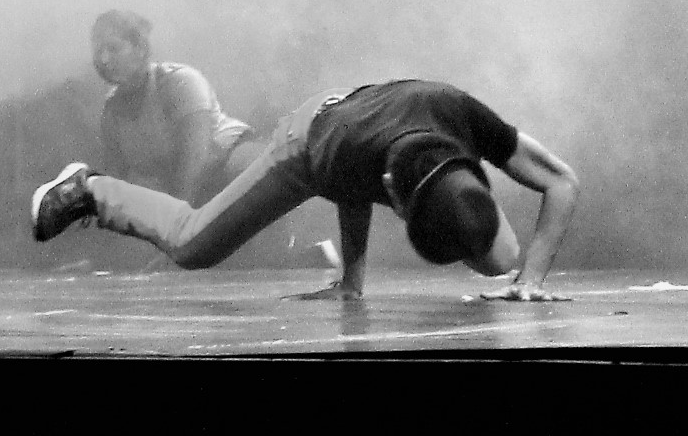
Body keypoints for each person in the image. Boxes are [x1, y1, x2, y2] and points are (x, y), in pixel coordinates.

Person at [30, 80, 578, 301]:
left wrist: (530, 283)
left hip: (379, 124)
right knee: (194, 245)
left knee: (499, 261)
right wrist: (352, 284)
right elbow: (352, 196)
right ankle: (92, 191)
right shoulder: (348, 159)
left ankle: (500, 257)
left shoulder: (465, 116)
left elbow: (560, 180)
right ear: (392, 191)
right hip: (308, 142)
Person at [88, 11, 256, 206]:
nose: (104, 60)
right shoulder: (111, 113)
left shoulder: (180, 82)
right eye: (98, 52)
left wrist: (176, 216)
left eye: (113, 48)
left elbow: (195, 159)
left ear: (140, 47)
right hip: (193, 196)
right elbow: (117, 180)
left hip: (232, 168)